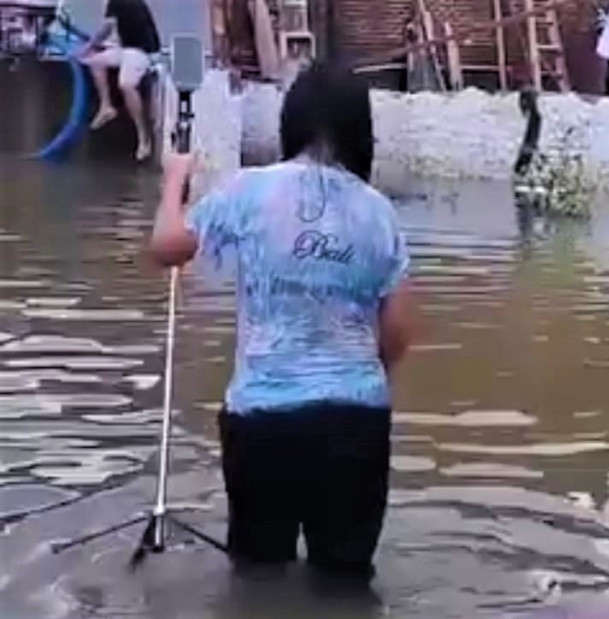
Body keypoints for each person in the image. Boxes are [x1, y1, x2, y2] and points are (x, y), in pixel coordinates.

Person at [149, 62, 415, 581]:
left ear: (289, 121)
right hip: (356, 420)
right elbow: (399, 333)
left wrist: (173, 181)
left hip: (265, 420)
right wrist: (350, 379)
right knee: (345, 582)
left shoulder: (249, 191)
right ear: (363, 132)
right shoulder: (381, 214)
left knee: (258, 576)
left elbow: (166, 248)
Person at [76, 0, 160, 161]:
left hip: (142, 50)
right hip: (126, 48)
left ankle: (144, 138)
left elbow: (105, 29)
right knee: (95, 62)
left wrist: (86, 48)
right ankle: (106, 106)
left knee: (126, 84)